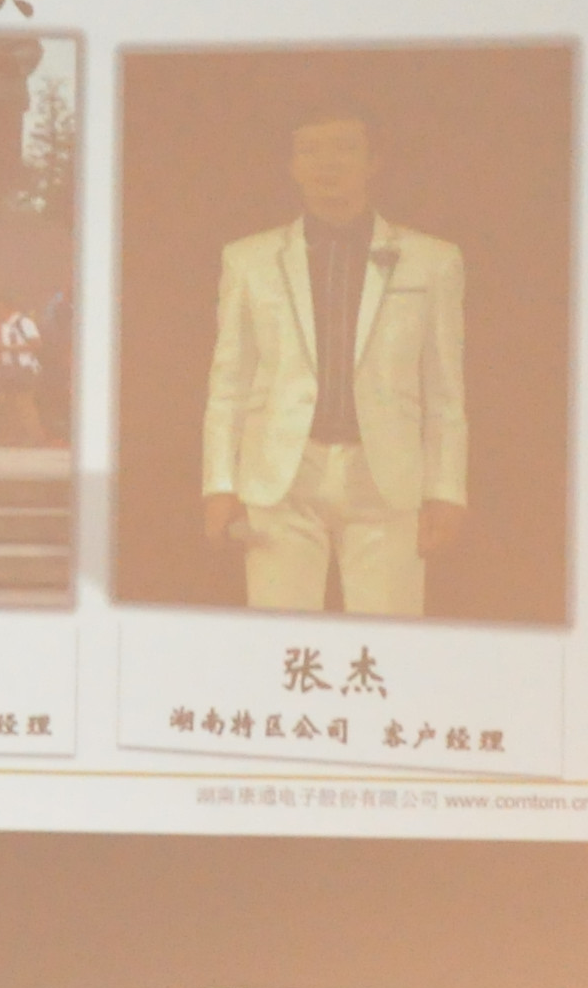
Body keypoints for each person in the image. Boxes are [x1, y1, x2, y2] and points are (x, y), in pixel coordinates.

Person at [201, 105, 470, 616]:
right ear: (292, 165)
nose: (327, 163)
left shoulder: (431, 261)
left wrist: (446, 488)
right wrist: (218, 483)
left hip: (385, 473)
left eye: (345, 148)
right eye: (310, 150)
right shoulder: (248, 260)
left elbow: (445, 389)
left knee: (388, 636)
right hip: (281, 472)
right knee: (281, 634)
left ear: (373, 162)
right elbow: (229, 381)